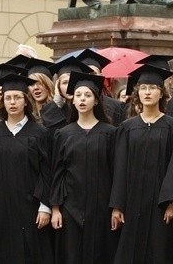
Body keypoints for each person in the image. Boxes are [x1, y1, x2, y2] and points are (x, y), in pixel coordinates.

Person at [110, 64, 173, 264]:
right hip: (133, 200)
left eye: (152, 88)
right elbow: (120, 168)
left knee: (160, 251)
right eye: (143, 88)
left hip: (160, 204)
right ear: (137, 93)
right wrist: (117, 205)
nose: (147, 92)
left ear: (161, 92)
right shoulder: (127, 128)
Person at [0, 74, 53, 264]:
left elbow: (46, 172)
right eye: (8, 98)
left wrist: (45, 206)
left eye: (17, 97)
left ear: (26, 101)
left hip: (30, 207)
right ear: (2, 101)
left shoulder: (40, 133)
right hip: (0, 208)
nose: (12, 102)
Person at [50, 72, 117, 263]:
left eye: (88, 95)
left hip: (102, 207)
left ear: (96, 101)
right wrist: (55, 208)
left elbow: (116, 172)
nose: (82, 99)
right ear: (72, 100)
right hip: (71, 207)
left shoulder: (110, 133)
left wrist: (116, 207)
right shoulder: (63, 134)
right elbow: (58, 172)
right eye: (78, 95)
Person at [76, 49, 127, 125]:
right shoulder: (73, 105)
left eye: (93, 73)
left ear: (101, 76)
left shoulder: (117, 107)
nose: (89, 77)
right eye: (85, 73)